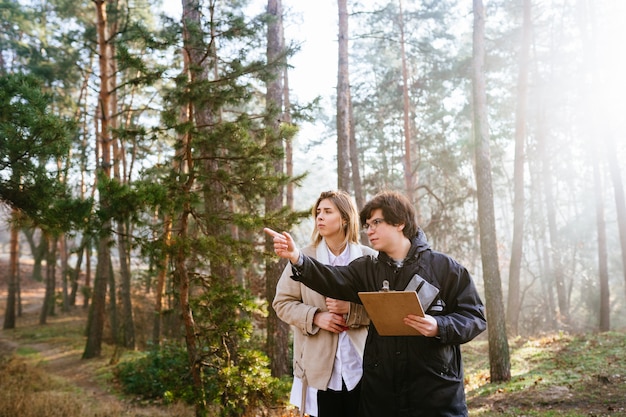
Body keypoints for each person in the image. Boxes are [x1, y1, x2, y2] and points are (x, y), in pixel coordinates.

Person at [265, 190, 487, 417]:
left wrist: (440, 326)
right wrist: (297, 258)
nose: (369, 230)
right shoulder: (367, 268)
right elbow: (332, 278)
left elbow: (475, 317)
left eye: (376, 223)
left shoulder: (446, 268)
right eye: (367, 225)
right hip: (382, 397)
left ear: (400, 223)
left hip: (435, 394)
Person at [272, 190, 377, 417]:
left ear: (345, 218)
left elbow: (383, 310)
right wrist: (316, 317)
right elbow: (282, 303)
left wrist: (352, 311)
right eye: (318, 212)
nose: (320, 217)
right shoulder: (301, 258)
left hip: (362, 368)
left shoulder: (369, 259)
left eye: (328, 211)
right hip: (319, 372)